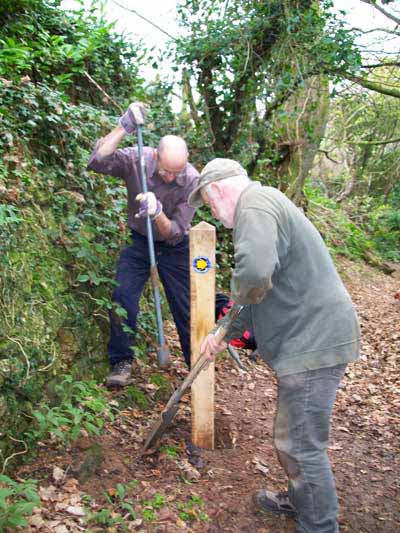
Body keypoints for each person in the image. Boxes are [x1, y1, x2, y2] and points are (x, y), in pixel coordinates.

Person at [188, 158, 360, 533]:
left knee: (300, 444)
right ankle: (302, 501)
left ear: (217, 190)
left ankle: (319, 525)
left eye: (210, 204)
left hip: (313, 338)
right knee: (294, 436)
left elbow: (253, 275)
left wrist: (227, 323)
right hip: (313, 335)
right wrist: (221, 333)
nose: (215, 215)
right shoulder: (266, 202)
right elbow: (257, 293)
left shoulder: (255, 205)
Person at [87, 102, 199, 387]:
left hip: (174, 247)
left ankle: (196, 367)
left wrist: (158, 211)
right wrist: (124, 125)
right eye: (166, 171)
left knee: (185, 307)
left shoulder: (192, 180)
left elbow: (175, 232)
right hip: (139, 242)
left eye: (178, 171)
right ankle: (121, 361)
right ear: (156, 156)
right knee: (123, 297)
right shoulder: (138, 159)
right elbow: (97, 161)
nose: (172, 177)